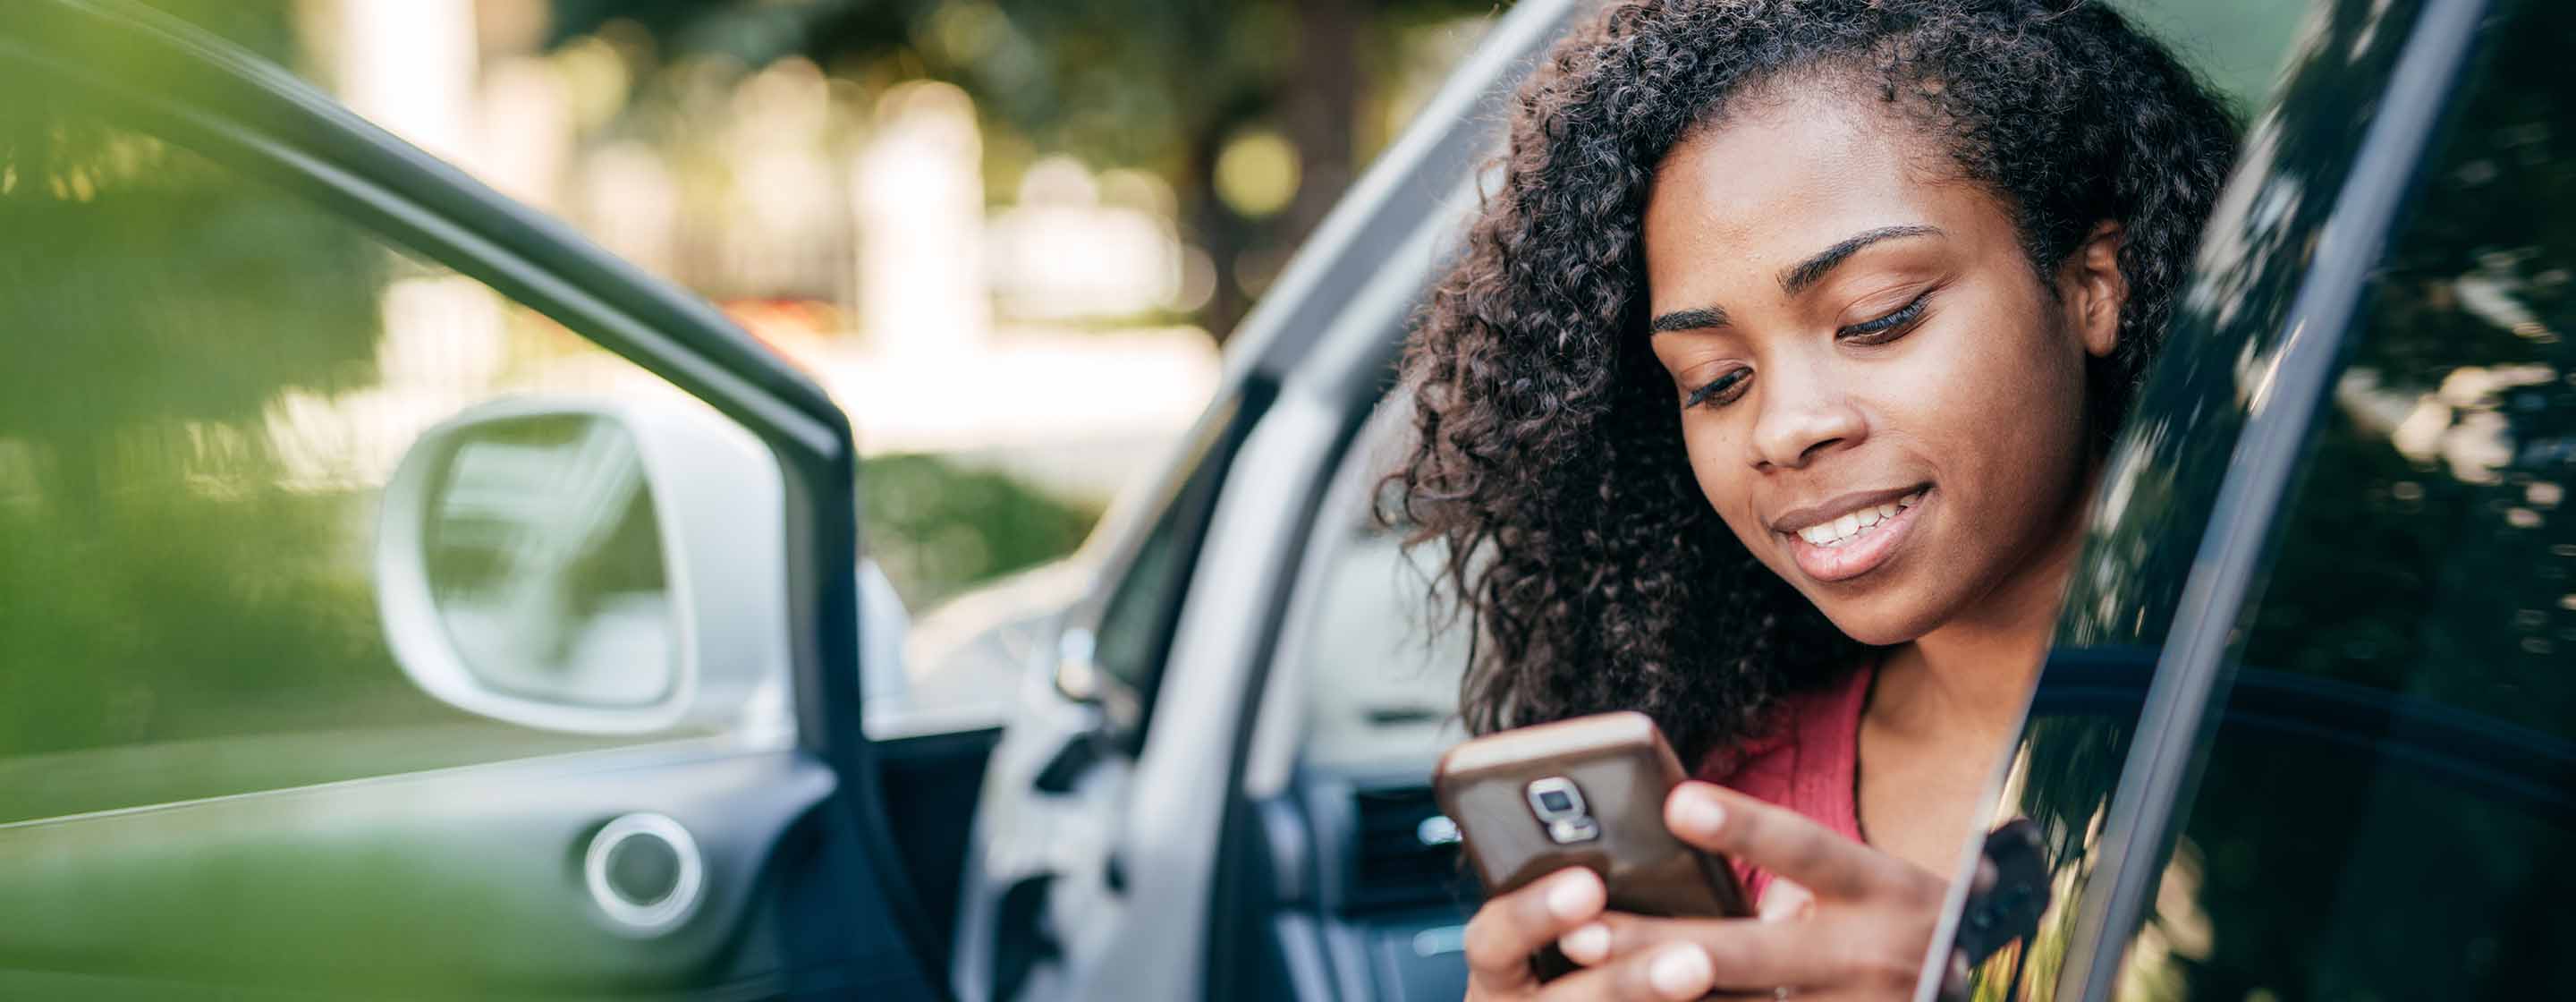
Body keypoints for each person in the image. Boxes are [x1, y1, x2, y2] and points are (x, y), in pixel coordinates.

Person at [1380, 0, 2240, 998]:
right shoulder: (1728, 818)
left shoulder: (2365, 715)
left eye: (1878, 318)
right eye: (1714, 381)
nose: (1784, 429)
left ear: (2097, 282)